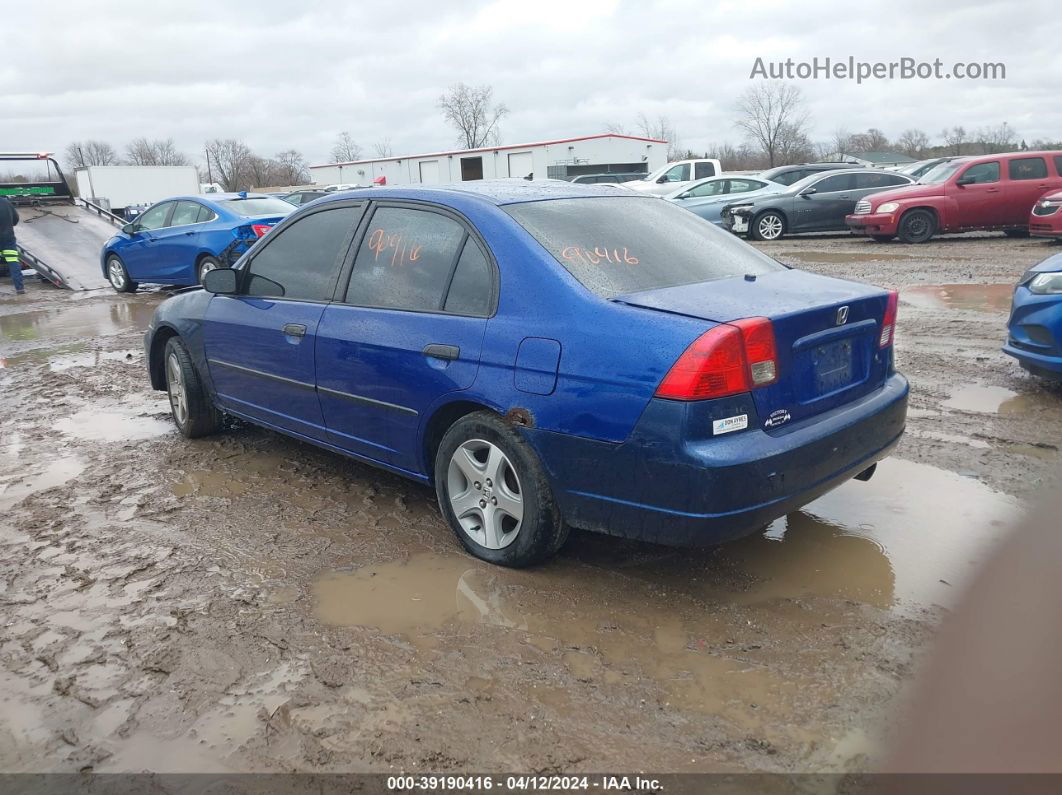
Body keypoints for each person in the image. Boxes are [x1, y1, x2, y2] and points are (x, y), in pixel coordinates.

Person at [0, 195, 24, 295]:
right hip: (8, 237)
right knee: (13, 262)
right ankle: (20, 289)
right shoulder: (6, 202)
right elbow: (16, 219)